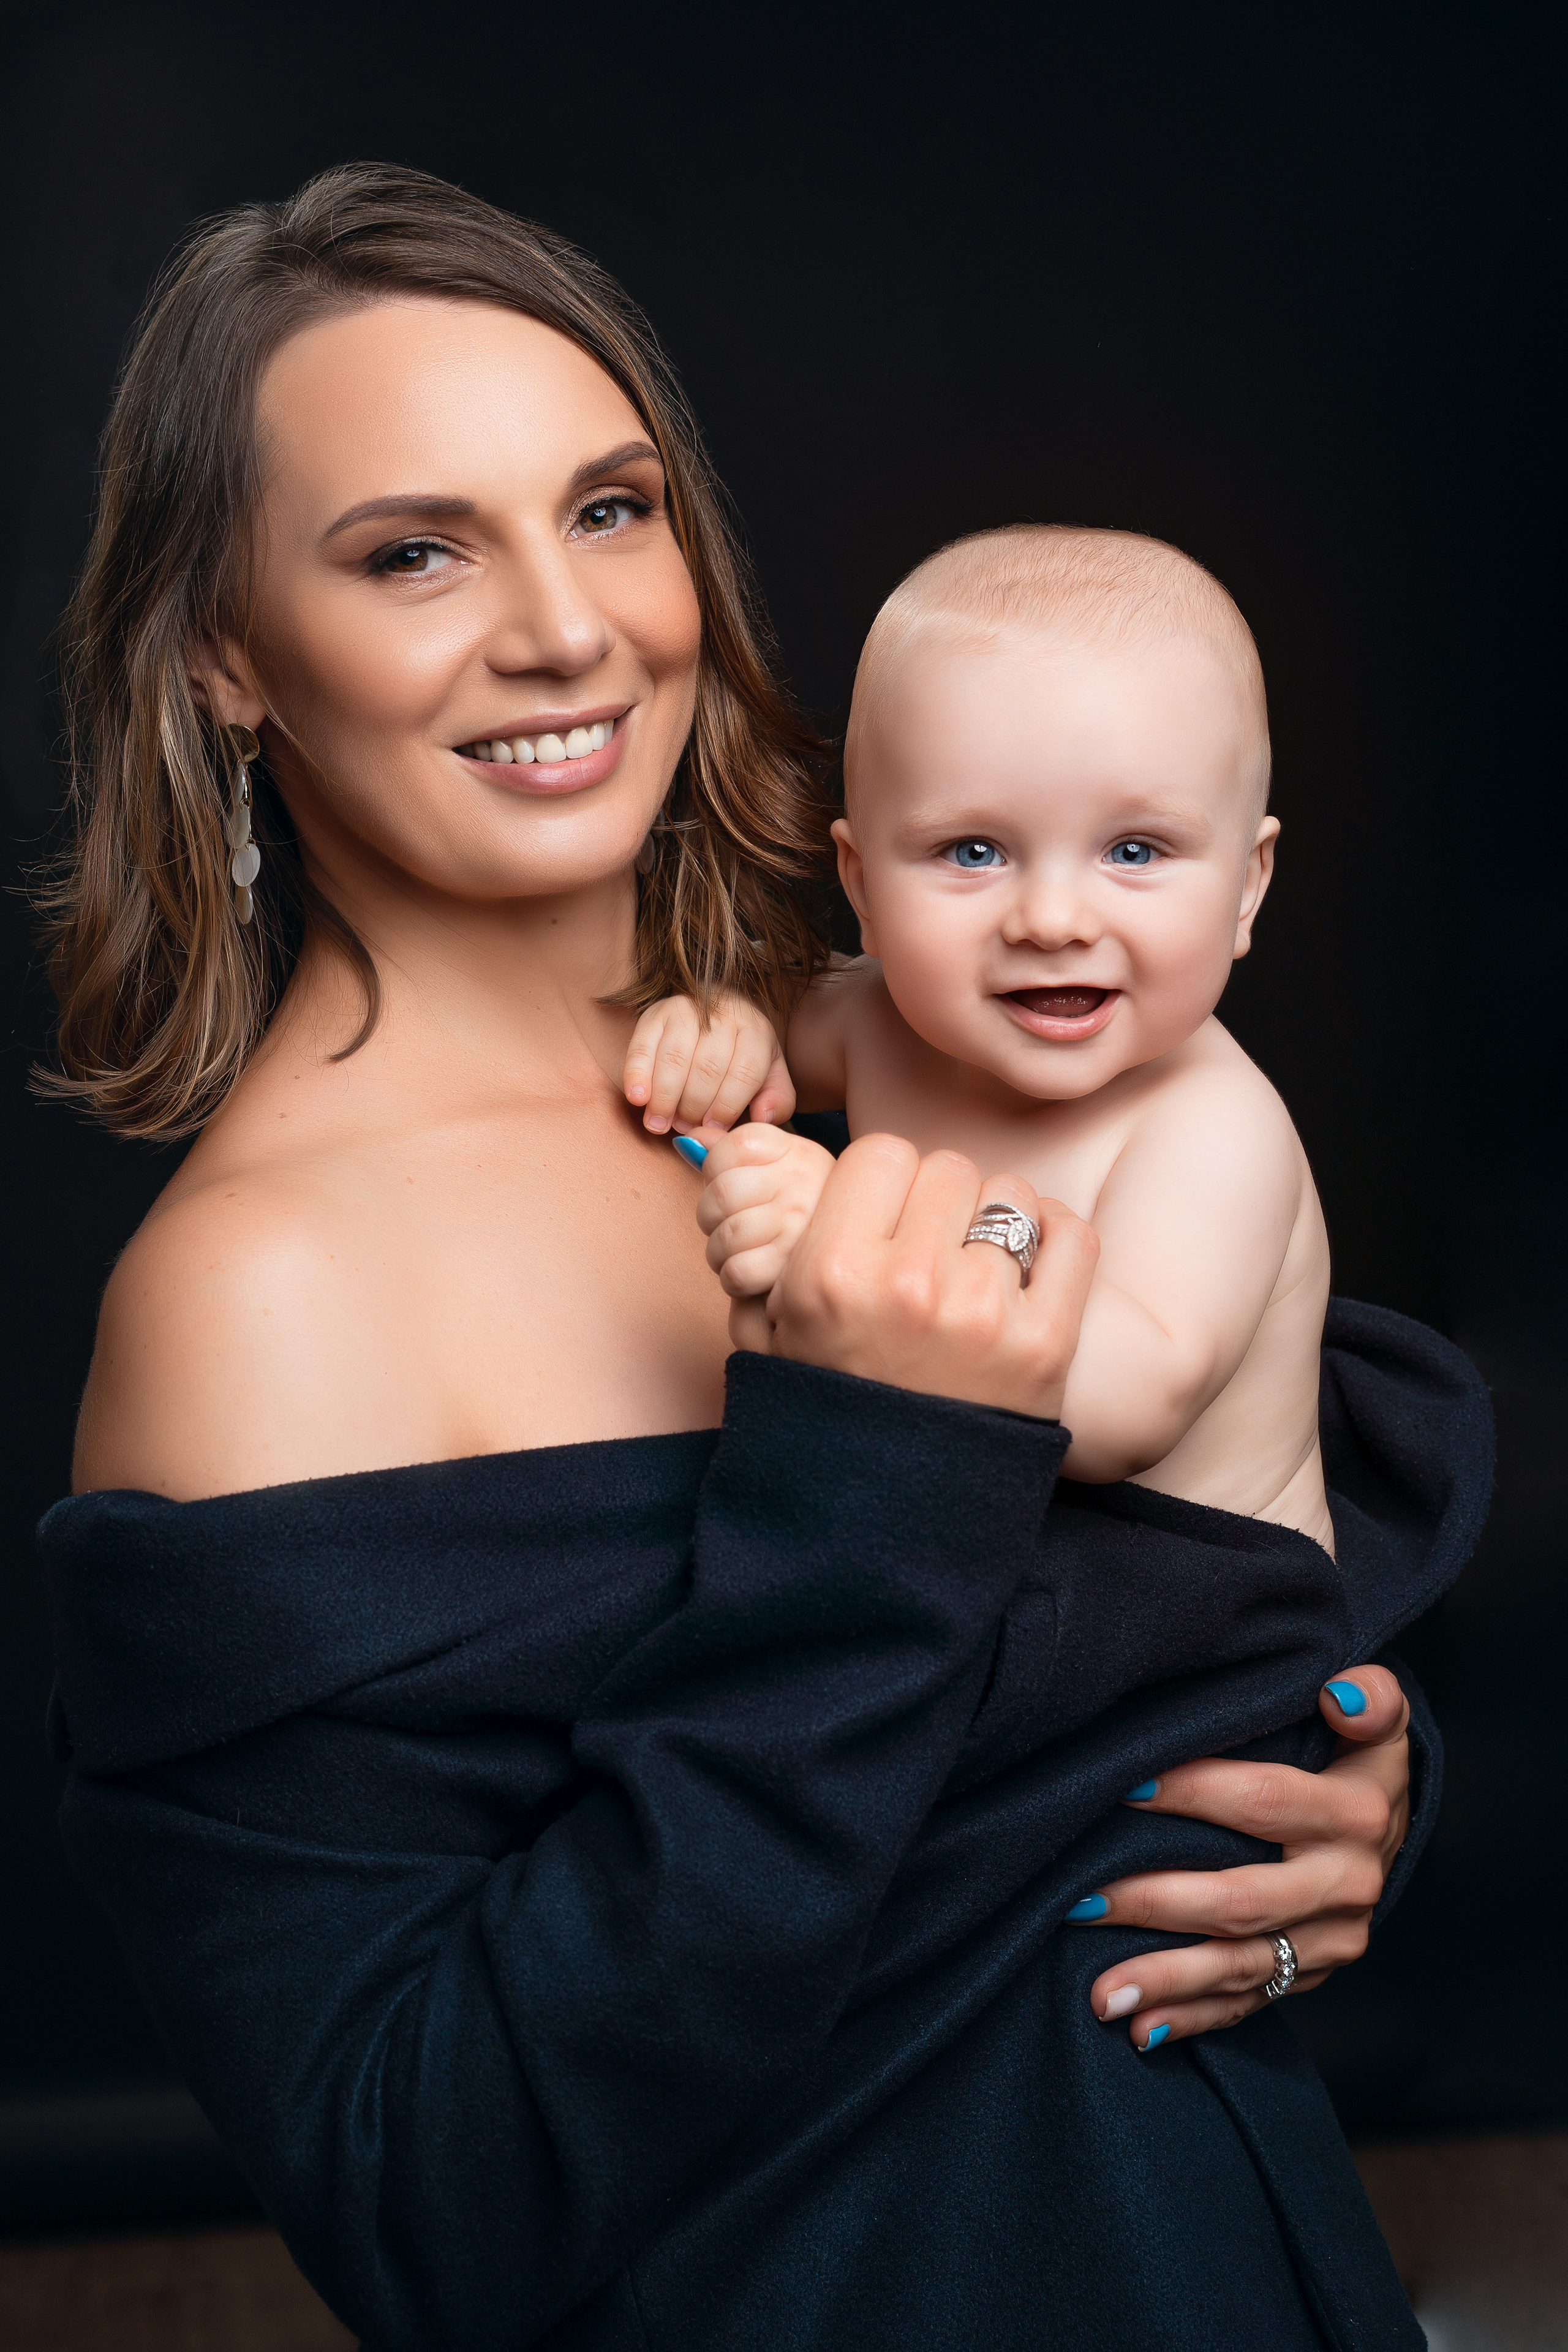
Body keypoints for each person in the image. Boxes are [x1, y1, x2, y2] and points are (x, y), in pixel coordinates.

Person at [35, 165, 1486, 2350]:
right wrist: (880, 1484)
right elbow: (437, 2193)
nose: (565, 626)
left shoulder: (913, 1027)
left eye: (610, 509)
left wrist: (1313, 1785)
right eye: (414, 551)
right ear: (230, 654)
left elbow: (1175, 1564)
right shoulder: (262, 1291)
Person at [628, 524, 1335, 1551]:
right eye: (974, 850)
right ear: (862, 885)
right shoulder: (883, 1019)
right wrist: (725, 1024)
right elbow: (764, 1000)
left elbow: (1129, 1411)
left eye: (1134, 850)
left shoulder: (1212, 1126)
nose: (1052, 920)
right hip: (966, 1566)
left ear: (1246, 886)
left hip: (1200, 1620)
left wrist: (846, 1236)